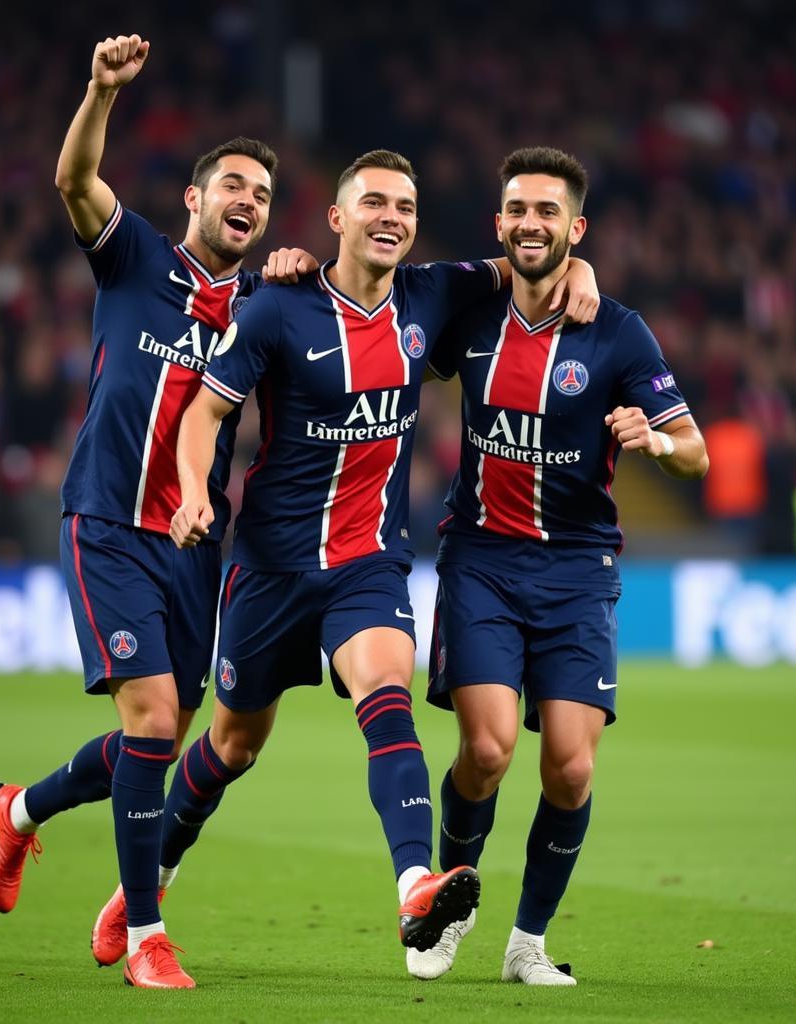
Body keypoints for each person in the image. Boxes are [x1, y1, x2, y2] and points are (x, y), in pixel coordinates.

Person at [160, 149, 600, 970]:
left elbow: (530, 254)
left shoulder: (433, 294)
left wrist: (585, 272)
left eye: (404, 204)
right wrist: (193, 494)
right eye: (372, 203)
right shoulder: (277, 306)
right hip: (270, 568)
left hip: (369, 561)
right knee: (232, 746)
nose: (390, 216)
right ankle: (148, 879)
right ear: (337, 219)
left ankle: (414, 888)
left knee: (385, 688)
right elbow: (201, 418)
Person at [0, 33, 312, 991]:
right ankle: (147, 937)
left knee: (149, 738)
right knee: (157, 719)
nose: (245, 201)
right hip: (109, 522)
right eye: (230, 187)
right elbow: (75, 177)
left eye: (259, 192)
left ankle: (22, 811)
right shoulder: (135, 259)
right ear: (194, 200)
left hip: (196, 546)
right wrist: (99, 93)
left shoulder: (262, 309)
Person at [406, 146, 709, 985]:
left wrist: (655, 440)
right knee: (490, 750)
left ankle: (527, 944)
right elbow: (379, 302)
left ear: (575, 228)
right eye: (518, 210)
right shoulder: (472, 307)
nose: (531, 223)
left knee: (571, 765)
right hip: (481, 562)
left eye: (549, 212)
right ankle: (444, 907)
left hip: (577, 569)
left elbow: (697, 453)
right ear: (498, 222)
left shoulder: (617, 329)